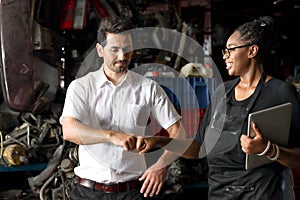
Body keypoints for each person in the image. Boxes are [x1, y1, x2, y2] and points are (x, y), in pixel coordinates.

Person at [137, 16, 300, 199]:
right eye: (225, 51)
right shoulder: (223, 91)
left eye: (231, 50)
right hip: (219, 194)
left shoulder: (280, 93)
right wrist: (160, 141)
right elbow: (198, 149)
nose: (225, 56)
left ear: (252, 51)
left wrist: (267, 149)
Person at [60, 16, 185, 200]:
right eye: (114, 49)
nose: (122, 56)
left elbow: (180, 133)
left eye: (127, 49)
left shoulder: (148, 88)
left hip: (133, 191)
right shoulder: (82, 87)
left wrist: (162, 165)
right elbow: (69, 130)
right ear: (100, 50)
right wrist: (112, 136)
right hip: (88, 192)